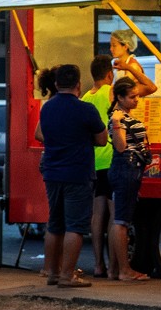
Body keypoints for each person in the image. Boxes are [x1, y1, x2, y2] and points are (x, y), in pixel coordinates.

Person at [34, 64, 107, 287]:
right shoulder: (86, 110)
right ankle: (68, 275)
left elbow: (42, 135)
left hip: (53, 173)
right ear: (78, 84)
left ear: (56, 84)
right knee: (75, 226)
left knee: (54, 224)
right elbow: (102, 140)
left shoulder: (47, 108)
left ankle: (52, 272)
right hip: (78, 172)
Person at [106, 76, 151, 282]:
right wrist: (116, 123)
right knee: (121, 221)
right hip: (126, 168)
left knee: (120, 219)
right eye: (132, 97)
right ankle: (124, 270)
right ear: (120, 98)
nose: (136, 100)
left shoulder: (122, 116)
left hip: (126, 168)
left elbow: (150, 87)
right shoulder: (118, 118)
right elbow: (121, 146)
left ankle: (115, 269)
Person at [83, 55, 115, 278]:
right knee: (115, 216)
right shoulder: (110, 92)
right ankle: (115, 265)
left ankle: (98, 264)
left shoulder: (85, 98)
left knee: (97, 215)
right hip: (111, 158)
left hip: (93, 162)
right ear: (109, 75)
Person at [108, 29, 158, 96]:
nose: (111, 49)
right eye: (110, 45)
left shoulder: (133, 66)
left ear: (125, 46)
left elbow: (122, 87)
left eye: (114, 45)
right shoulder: (118, 65)